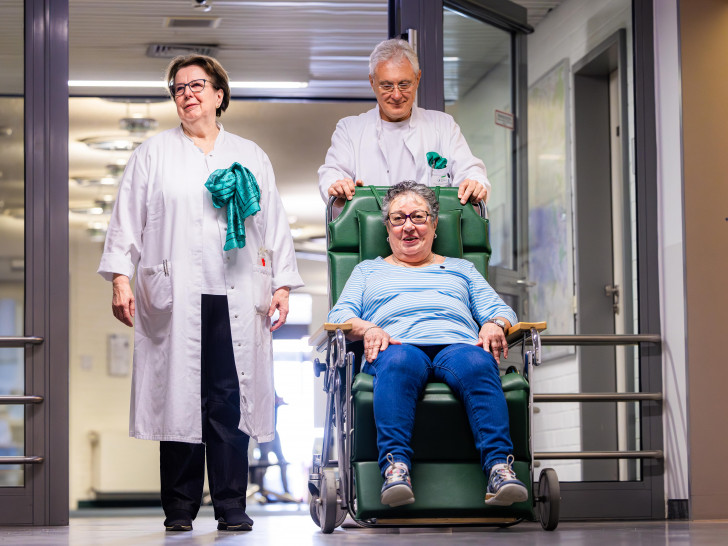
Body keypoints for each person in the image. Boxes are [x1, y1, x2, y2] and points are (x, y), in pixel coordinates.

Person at [97, 54, 304, 532]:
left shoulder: (251, 155)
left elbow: (274, 225)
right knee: (180, 398)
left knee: (229, 401)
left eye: (197, 85)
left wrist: (283, 285)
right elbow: (125, 220)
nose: (187, 93)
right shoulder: (152, 154)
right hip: (174, 294)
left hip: (237, 293)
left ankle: (232, 505)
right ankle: (180, 509)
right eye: (178, 88)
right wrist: (122, 278)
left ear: (219, 94)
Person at [327, 181, 527, 508]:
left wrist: (494, 323)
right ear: (387, 229)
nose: (408, 226)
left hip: (458, 345)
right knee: (400, 362)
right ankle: (395, 469)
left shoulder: (462, 269)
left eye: (418, 217)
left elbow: (501, 310)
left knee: (479, 363)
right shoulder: (367, 270)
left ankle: (499, 470)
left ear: (434, 225)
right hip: (397, 344)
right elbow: (340, 315)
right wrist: (368, 328)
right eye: (398, 218)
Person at [318, 38, 489, 205]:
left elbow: (470, 170)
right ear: (372, 82)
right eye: (387, 86)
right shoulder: (350, 130)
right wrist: (338, 185)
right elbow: (332, 173)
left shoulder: (443, 126)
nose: (397, 95)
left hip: (431, 232)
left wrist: (474, 183)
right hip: (371, 230)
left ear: (418, 79)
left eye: (404, 84)